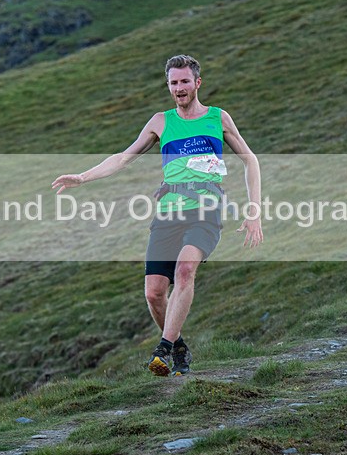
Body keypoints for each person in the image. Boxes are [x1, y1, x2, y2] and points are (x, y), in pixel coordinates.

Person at [51, 54, 264, 377]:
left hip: (205, 208)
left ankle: (162, 348)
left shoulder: (218, 118)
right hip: (168, 212)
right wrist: (82, 177)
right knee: (153, 293)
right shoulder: (160, 122)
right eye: (173, 83)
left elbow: (250, 161)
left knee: (185, 270)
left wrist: (254, 211)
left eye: (184, 82)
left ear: (197, 83)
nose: (179, 88)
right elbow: (123, 158)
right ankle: (179, 348)